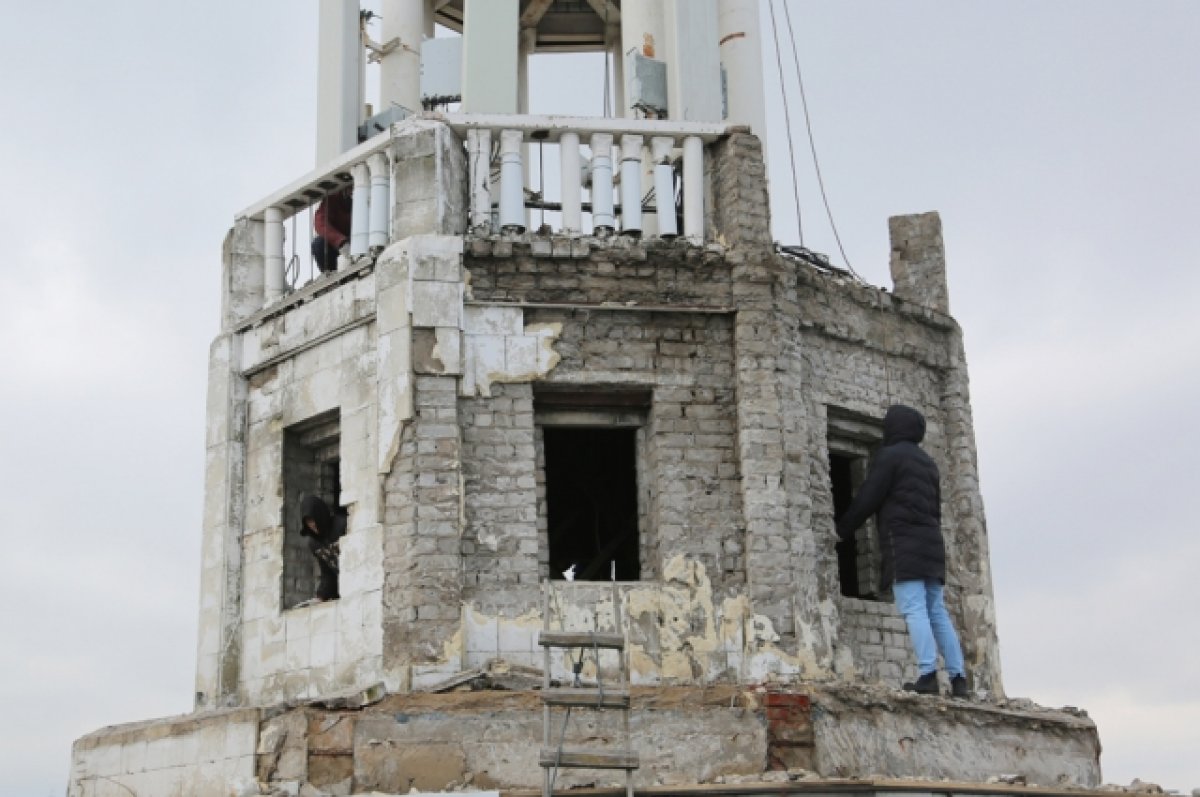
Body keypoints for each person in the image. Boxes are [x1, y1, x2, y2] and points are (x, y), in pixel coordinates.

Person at [835, 404, 969, 698]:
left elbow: (869, 496)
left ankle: (927, 674)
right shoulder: (928, 464)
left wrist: (842, 529)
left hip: (904, 543)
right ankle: (959, 680)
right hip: (933, 545)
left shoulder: (890, 457)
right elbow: (936, 509)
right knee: (937, 611)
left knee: (914, 609)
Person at [299, 495, 346, 602]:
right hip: (344, 587)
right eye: (308, 521)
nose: (313, 525)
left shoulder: (342, 525)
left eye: (314, 518)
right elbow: (327, 572)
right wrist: (321, 595)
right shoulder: (315, 544)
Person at [312, 189, 352, 274]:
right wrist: (341, 242)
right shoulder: (334, 198)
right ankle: (330, 275)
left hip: (362, 242)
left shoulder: (369, 193)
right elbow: (320, 222)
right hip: (339, 246)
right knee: (319, 244)